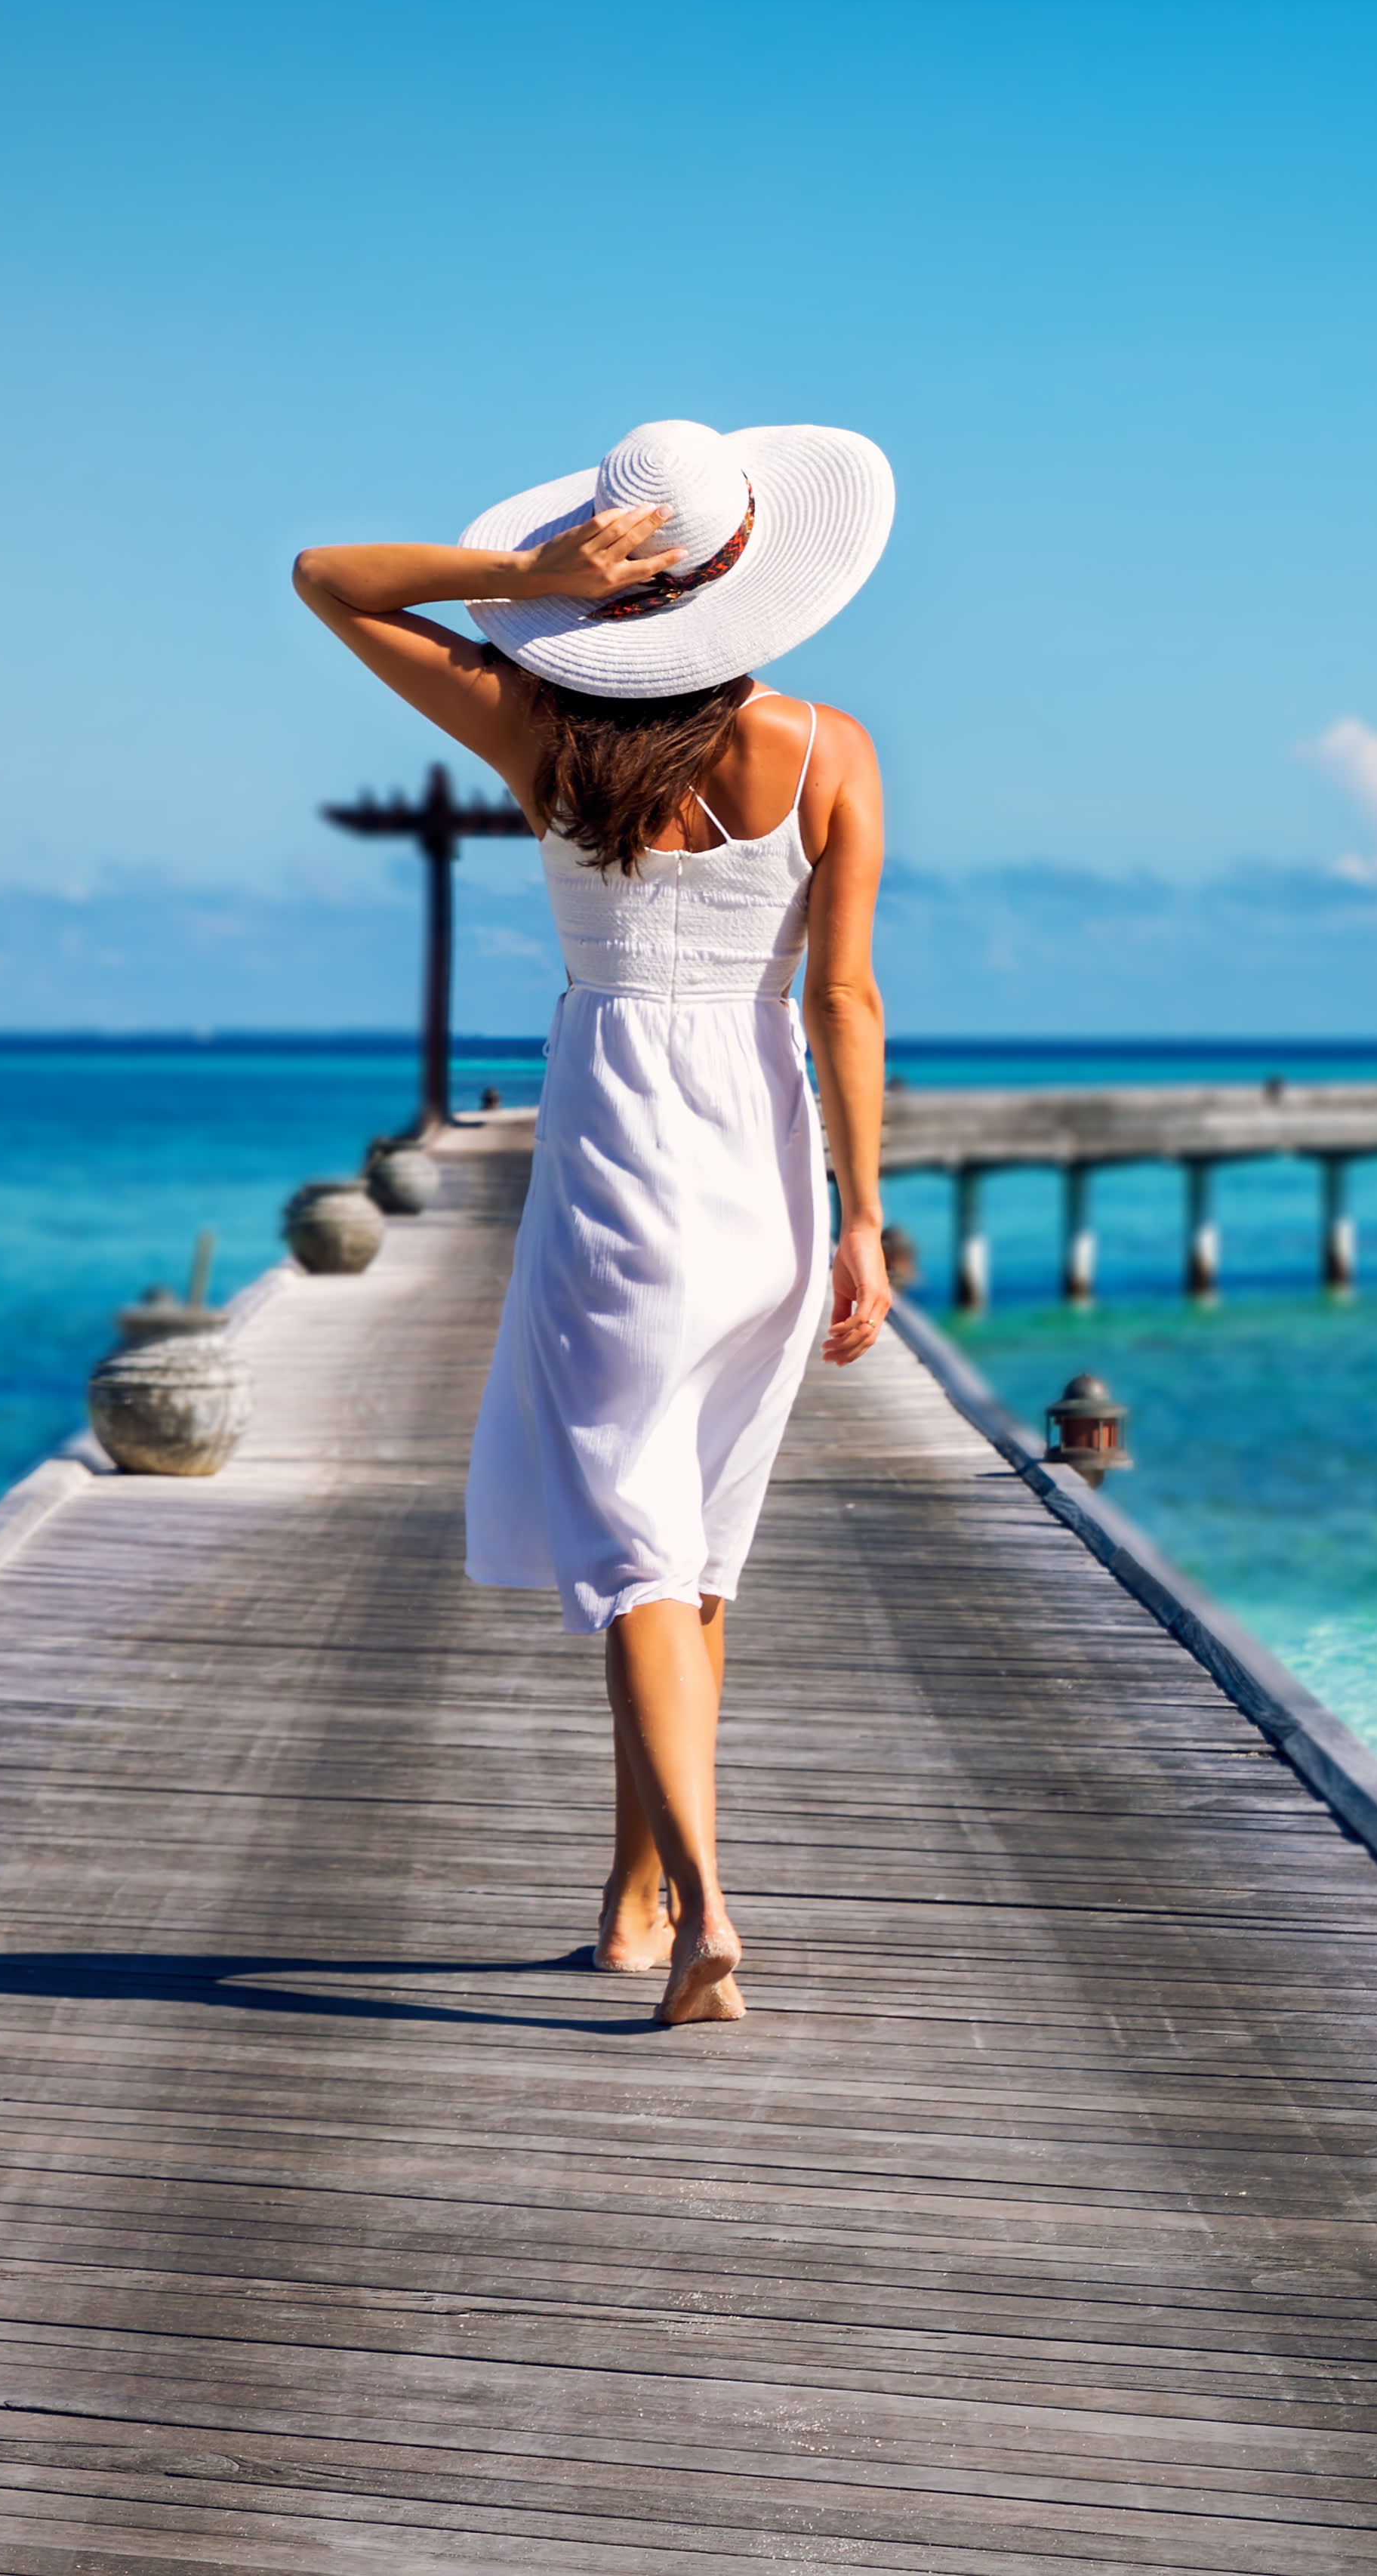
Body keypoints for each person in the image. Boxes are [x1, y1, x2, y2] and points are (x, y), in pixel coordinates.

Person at [294, 418, 899, 2028]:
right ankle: (632, 1903)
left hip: (623, 1142)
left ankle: (704, 1910)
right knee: (694, 1558)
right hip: (767, 1153)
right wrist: (863, 1217)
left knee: (639, 1546)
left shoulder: (537, 733)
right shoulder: (830, 747)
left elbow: (327, 581)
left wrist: (521, 578)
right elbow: (842, 996)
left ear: (613, 581)